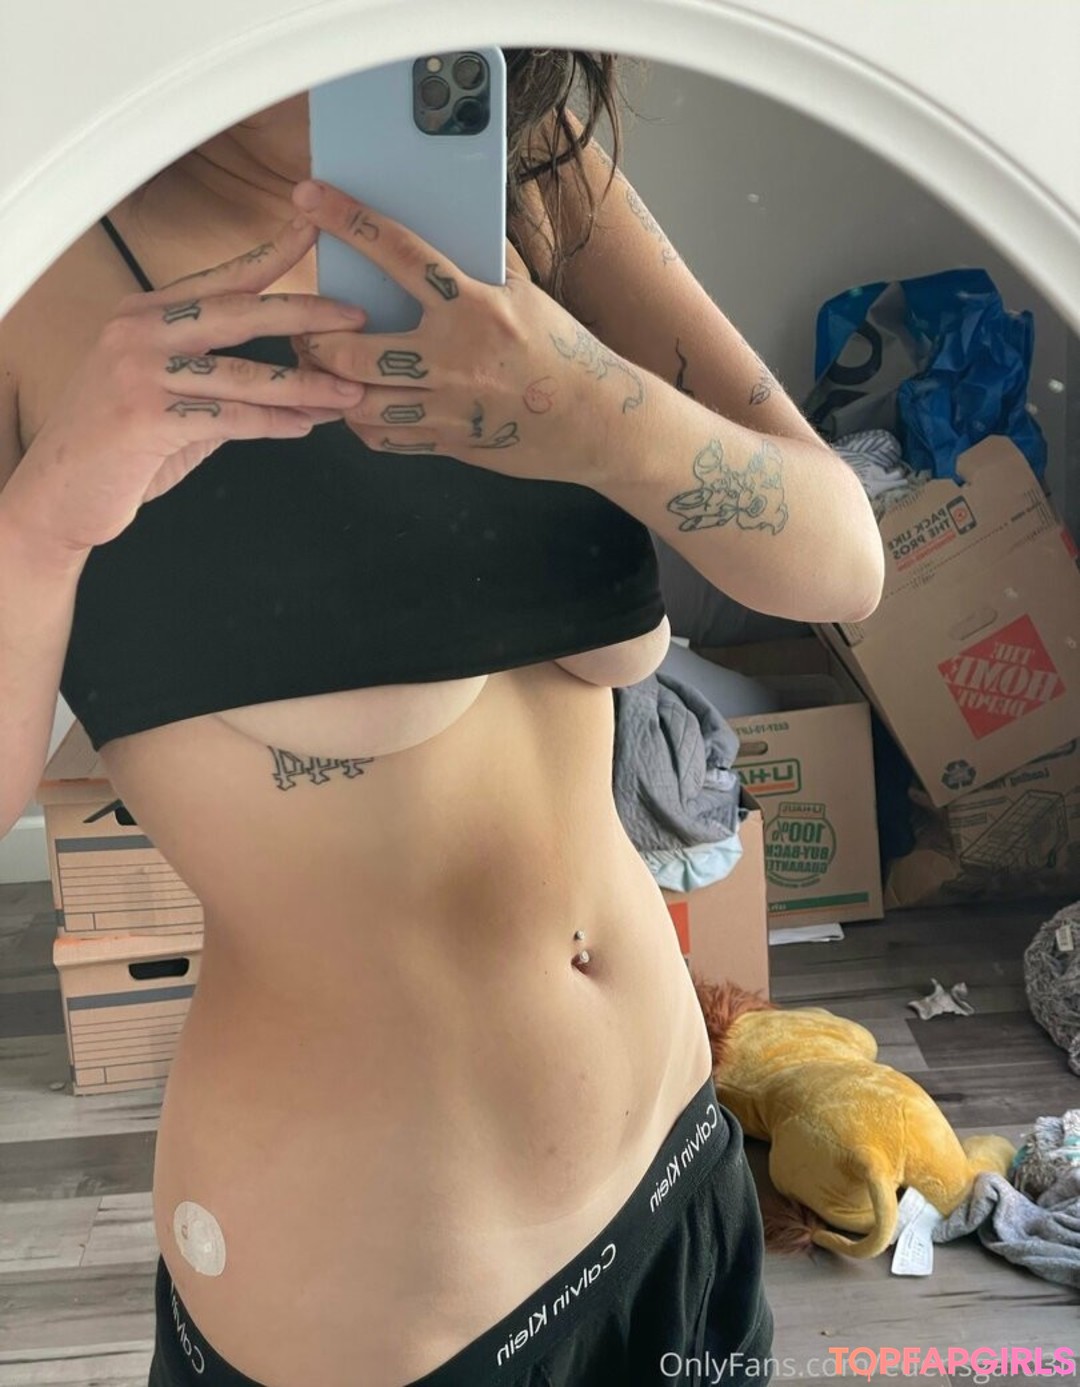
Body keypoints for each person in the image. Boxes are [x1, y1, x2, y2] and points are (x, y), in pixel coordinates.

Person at [0, 49, 883, 1387]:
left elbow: (844, 564)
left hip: (676, 1187)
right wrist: (41, 529)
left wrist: (596, 413)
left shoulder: (524, 167)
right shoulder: (34, 257)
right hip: (384, 1317)